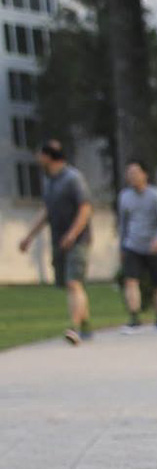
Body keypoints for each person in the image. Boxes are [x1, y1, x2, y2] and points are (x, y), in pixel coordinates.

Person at [15, 139, 93, 344]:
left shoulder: (73, 178)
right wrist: (29, 236)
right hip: (59, 239)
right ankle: (85, 326)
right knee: (71, 285)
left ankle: (74, 327)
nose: (37, 158)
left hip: (78, 240)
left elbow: (85, 208)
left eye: (39, 154)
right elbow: (47, 211)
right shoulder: (50, 181)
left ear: (48, 156)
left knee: (73, 282)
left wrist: (73, 234)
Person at [116, 160, 157, 333]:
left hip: (155, 246)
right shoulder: (124, 197)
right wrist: (121, 245)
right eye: (129, 173)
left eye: (135, 172)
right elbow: (123, 223)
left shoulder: (156, 196)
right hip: (133, 245)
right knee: (131, 280)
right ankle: (134, 318)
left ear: (144, 174)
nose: (132, 176)